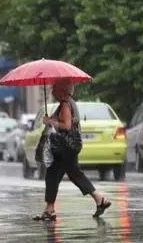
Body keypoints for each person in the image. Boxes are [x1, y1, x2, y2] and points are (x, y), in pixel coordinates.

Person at [36, 80, 111, 220]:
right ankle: (99, 199)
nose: (52, 91)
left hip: (63, 147)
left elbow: (67, 126)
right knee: (75, 174)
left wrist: (50, 121)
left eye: (55, 88)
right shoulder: (70, 102)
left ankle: (50, 209)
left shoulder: (65, 104)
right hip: (70, 146)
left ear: (62, 90)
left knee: (52, 175)